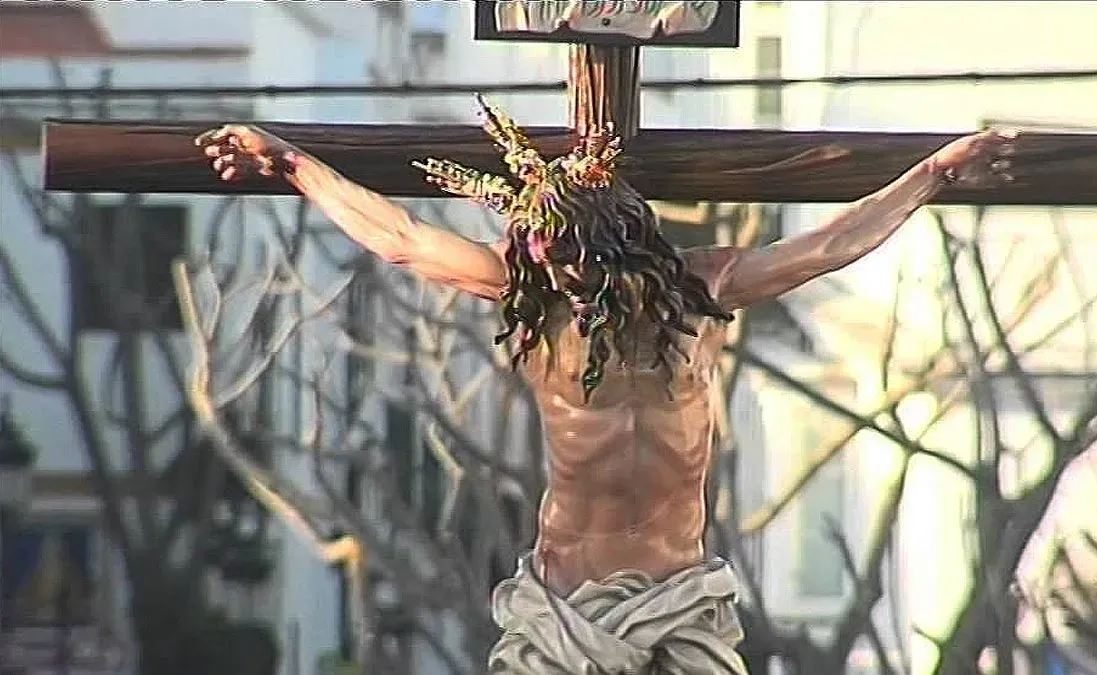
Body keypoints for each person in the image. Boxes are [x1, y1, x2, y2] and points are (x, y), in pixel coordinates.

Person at [195, 98, 1016, 674]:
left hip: (678, 600)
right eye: (544, 252)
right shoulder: (533, 303)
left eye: (573, 251)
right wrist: (295, 164)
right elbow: (403, 239)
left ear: (621, 236)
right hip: (567, 608)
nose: (558, 269)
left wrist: (934, 173)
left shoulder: (702, 293)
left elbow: (830, 245)